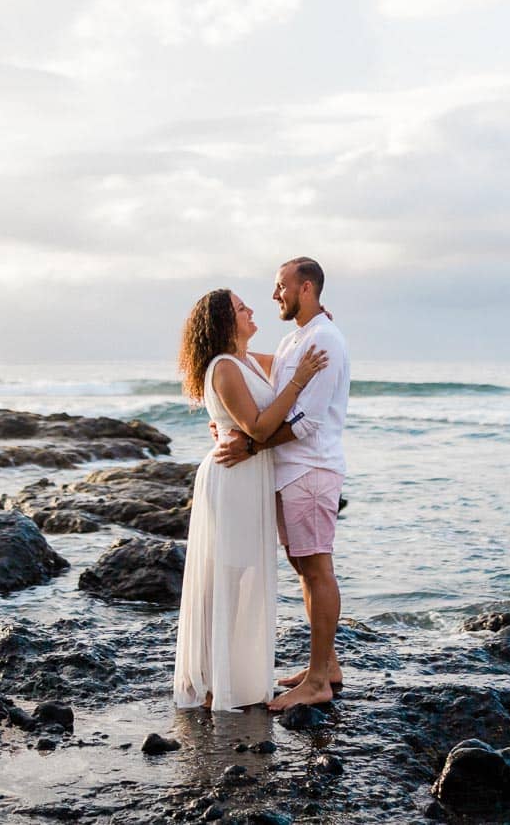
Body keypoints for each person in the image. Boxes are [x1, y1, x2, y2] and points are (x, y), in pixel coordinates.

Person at [172, 287, 328, 710]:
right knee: (231, 577)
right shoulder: (224, 368)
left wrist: (318, 322)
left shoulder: (248, 360)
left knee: (244, 577)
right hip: (234, 478)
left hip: (252, 476)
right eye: (242, 309)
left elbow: (291, 364)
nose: (251, 310)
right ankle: (214, 682)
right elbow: (258, 428)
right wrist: (298, 382)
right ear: (226, 322)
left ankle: (231, 676)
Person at [214, 257, 349, 711]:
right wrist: (225, 417)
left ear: (305, 288)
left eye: (280, 286)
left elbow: (307, 421)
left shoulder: (324, 340)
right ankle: (325, 665)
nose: (274, 295)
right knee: (304, 568)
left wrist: (251, 448)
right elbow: (261, 373)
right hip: (293, 471)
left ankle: (317, 683)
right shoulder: (298, 339)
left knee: (317, 570)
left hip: (310, 468)